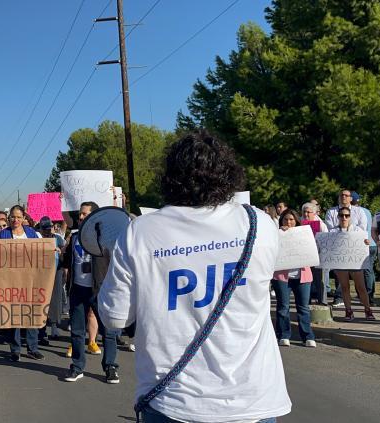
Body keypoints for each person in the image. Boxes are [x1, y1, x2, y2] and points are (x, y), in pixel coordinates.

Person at [98, 130, 291, 421]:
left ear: (170, 178)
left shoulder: (140, 232)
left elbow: (115, 318)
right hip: (254, 402)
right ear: (229, 174)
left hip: (173, 402)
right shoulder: (259, 223)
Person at [62, 201, 121, 383]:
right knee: (77, 331)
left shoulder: (105, 238)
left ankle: (110, 367)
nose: (80, 217)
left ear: (94, 217)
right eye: (80, 214)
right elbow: (66, 262)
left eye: (85, 214)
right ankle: (77, 367)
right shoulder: (74, 238)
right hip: (78, 290)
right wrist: (62, 251)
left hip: (100, 290)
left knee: (108, 331)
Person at [0, 205, 45, 362]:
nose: (15, 220)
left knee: (30, 315)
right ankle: (15, 349)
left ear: (24, 218)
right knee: (14, 316)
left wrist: (53, 250)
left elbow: (40, 252)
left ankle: (32, 348)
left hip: (30, 281)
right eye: (12, 217)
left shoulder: (31, 233)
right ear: (9, 218)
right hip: (10, 281)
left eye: (18, 217)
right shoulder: (3, 234)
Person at [272, 209, 316, 347]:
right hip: (282, 276)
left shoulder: (304, 234)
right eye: (286, 219)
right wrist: (280, 233)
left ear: (296, 221)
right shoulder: (276, 234)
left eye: (291, 219)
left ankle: (308, 336)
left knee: (303, 307)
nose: (289, 222)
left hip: (302, 276)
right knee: (283, 307)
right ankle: (284, 335)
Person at [331, 206, 374, 321]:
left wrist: (366, 242)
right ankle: (349, 310)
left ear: (350, 217)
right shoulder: (333, 231)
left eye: (347, 215)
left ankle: (367, 309)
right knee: (344, 287)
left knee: (361, 287)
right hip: (341, 262)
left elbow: (365, 244)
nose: (344, 218)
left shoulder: (358, 230)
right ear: (338, 217)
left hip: (355, 262)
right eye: (341, 215)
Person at [301, 202, 329, 305]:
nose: (306, 214)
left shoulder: (321, 224)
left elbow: (326, 240)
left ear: (314, 213)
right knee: (306, 280)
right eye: (304, 212)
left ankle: (323, 301)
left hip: (318, 256)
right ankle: (306, 301)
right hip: (304, 257)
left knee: (319, 280)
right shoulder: (300, 222)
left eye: (309, 212)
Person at [352, 193, 376, 302]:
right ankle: (369, 295)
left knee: (362, 270)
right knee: (369, 270)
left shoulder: (355, 212)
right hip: (372, 243)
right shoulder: (366, 211)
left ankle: (367, 296)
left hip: (363, 243)